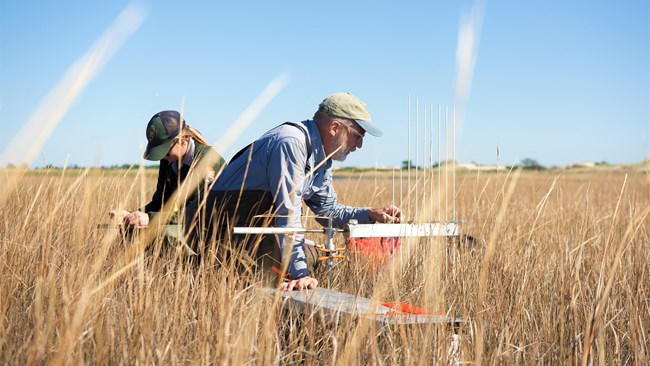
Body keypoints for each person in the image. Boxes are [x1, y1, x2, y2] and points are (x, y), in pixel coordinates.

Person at [186, 92, 401, 291]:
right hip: (215, 227)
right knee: (259, 287)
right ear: (335, 127)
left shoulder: (322, 159)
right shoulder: (291, 142)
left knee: (284, 277)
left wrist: (370, 214)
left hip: (252, 229)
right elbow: (287, 215)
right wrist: (301, 274)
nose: (360, 145)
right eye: (358, 135)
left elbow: (328, 211)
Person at [110, 110, 224, 230]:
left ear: (182, 140)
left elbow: (196, 213)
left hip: (214, 230)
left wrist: (150, 218)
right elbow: (160, 203)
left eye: (165, 150)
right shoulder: (168, 160)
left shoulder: (207, 161)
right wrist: (130, 215)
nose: (163, 157)